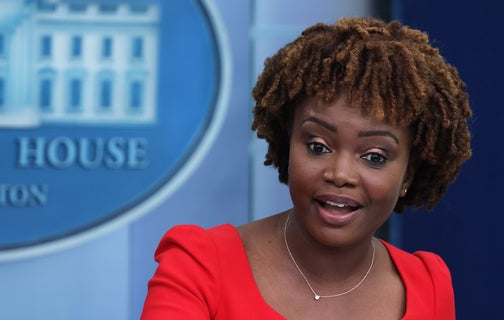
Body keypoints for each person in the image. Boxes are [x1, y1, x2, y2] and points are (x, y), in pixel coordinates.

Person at [141, 17, 471, 319]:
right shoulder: (199, 266)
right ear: (288, 147)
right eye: (318, 146)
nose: (340, 174)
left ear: (407, 177)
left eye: (374, 156)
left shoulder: (429, 287)